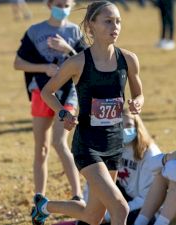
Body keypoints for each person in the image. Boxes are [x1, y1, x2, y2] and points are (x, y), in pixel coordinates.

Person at [35, 1, 144, 224]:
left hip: (114, 145)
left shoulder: (129, 60)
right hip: (87, 146)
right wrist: (63, 113)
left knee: (93, 217)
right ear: (90, 25)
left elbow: (139, 94)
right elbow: (48, 92)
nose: (115, 26)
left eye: (118, 21)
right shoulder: (77, 62)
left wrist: (137, 103)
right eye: (108, 21)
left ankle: (44, 206)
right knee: (120, 208)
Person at [13, 0, 85, 202]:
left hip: (68, 93)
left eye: (66, 4)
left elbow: (86, 62)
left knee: (60, 142)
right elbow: (18, 63)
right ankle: (40, 197)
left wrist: (67, 49)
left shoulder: (75, 32)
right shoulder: (35, 31)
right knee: (41, 148)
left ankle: (77, 195)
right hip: (41, 93)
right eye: (58, 4)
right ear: (49, 5)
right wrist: (44, 67)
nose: (62, 9)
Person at [79, 109, 161, 225]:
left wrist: (108, 216)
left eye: (129, 125)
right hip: (120, 200)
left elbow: (146, 198)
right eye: (120, 126)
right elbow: (93, 183)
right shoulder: (107, 148)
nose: (125, 130)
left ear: (137, 127)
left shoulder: (149, 153)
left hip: (142, 206)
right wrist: (90, 210)